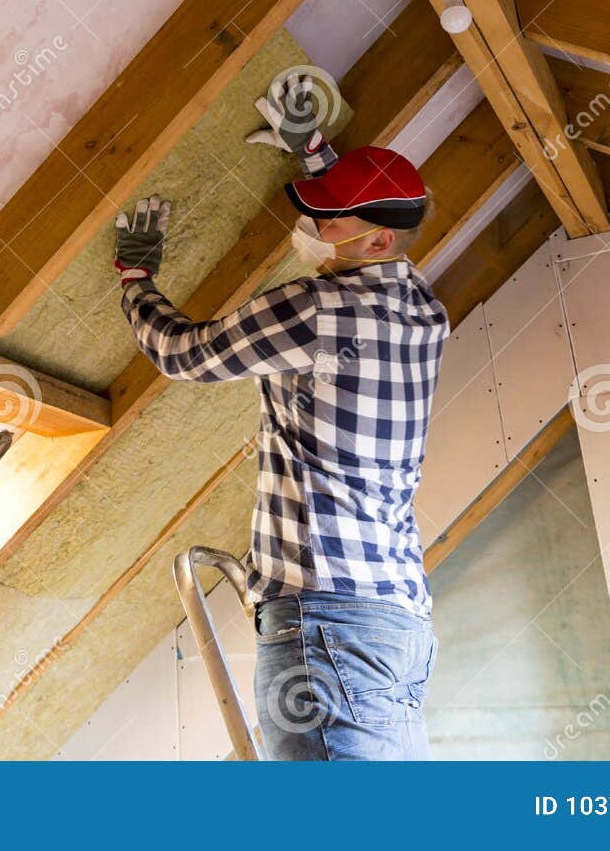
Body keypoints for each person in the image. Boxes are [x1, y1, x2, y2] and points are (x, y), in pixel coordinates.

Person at [113, 71, 451, 761]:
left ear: (380, 242)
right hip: (397, 625)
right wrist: (318, 158)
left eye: (331, 217)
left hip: (325, 628)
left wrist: (134, 282)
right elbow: (375, 216)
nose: (314, 226)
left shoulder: (315, 310)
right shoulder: (424, 311)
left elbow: (184, 353)